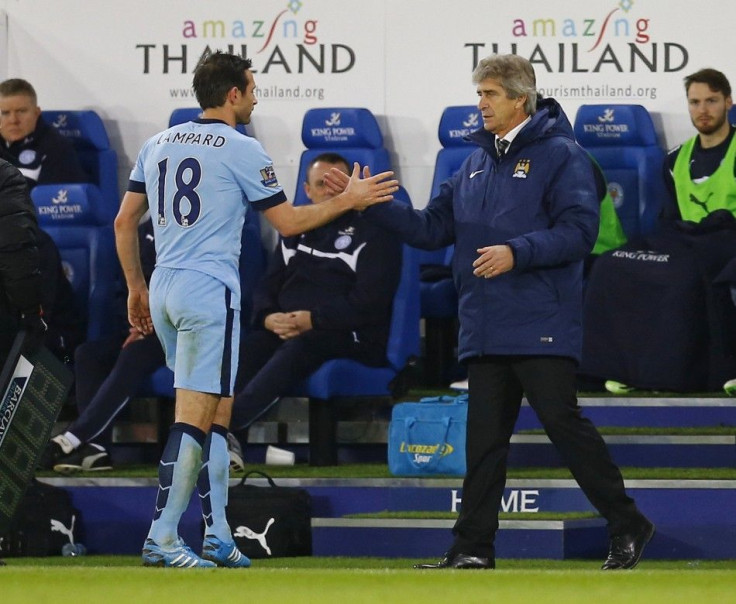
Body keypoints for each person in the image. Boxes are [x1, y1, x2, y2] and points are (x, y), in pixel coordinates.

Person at [329, 54, 654, 570]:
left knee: (564, 428)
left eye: (490, 94)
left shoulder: (563, 155)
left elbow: (578, 233)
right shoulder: (473, 162)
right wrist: (370, 206)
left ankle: (627, 521)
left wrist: (515, 251)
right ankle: (472, 547)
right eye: (479, 93)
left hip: (540, 318)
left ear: (520, 99)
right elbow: (432, 229)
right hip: (484, 322)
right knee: (483, 444)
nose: (480, 103)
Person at [114, 51, 398, 568]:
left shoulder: (156, 144)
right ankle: (162, 536)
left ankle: (219, 534)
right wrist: (349, 200)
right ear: (232, 95)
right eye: (252, 87)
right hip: (207, 290)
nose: (256, 96)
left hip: (164, 287)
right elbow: (288, 223)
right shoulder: (243, 148)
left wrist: (135, 287)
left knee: (218, 415)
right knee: (196, 418)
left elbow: (123, 222)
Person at [584, 68, 736, 395]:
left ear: (728, 102)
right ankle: (622, 370)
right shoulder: (675, 158)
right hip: (688, 238)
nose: (703, 110)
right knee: (612, 264)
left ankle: (692, 373)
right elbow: (670, 216)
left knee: (685, 273)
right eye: (695, 102)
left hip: (729, 239)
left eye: (711, 101)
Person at [229, 152, 401, 440]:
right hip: (288, 326)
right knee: (252, 345)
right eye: (322, 184)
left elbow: (370, 303)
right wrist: (269, 318)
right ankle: (214, 428)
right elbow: (267, 286)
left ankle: (223, 428)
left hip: (347, 333)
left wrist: (314, 320)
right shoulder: (295, 229)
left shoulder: (375, 233)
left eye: (339, 184)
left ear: (352, 187)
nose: (330, 191)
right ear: (307, 191)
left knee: (303, 345)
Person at [38, 218, 160, 473]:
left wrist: (153, 323)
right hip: (140, 326)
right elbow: (122, 289)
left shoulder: (191, 232)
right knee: (88, 355)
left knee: (134, 353)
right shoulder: (140, 234)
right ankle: (97, 449)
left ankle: (75, 437)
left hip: (181, 331)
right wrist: (137, 321)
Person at [0, 78, 87, 189]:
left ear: (36, 113)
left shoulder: (56, 148)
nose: (13, 120)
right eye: (5, 113)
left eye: (21, 111)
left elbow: (50, 203)